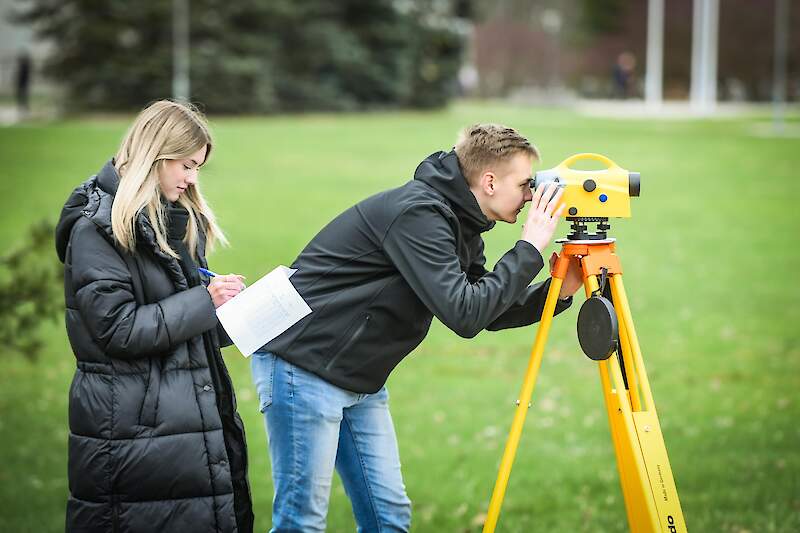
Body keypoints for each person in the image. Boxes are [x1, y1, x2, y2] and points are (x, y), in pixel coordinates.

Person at [250, 124, 583, 532]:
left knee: (388, 517)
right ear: (489, 182)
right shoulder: (418, 215)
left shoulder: (462, 225)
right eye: (525, 184)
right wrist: (529, 248)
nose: (532, 195)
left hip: (358, 376)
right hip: (303, 367)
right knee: (301, 523)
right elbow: (464, 313)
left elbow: (487, 310)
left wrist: (558, 291)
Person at [55, 100, 254, 533]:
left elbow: (183, 324)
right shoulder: (97, 230)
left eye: (198, 168)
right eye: (186, 165)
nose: (192, 179)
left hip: (184, 424)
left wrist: (234, 312)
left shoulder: (175, 221)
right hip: (133, 431)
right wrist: (204, 301)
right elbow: (118, 329)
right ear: (155, 155)